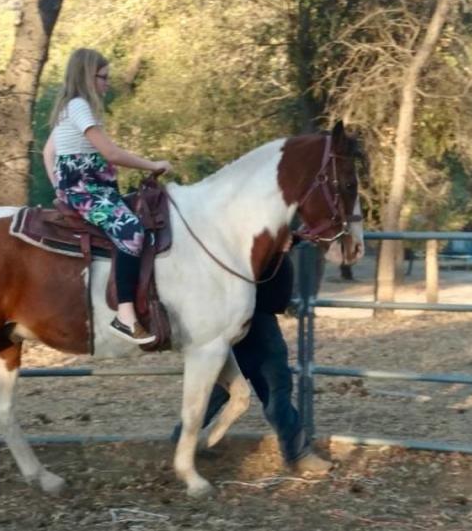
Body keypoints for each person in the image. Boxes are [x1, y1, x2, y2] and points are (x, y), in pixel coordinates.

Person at [43, 48, 172, 345]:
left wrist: (60, 188)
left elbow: (48, 152)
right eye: (103, 77)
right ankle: (125, 315)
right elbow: (110, 153)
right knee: (131, 231)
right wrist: (154, 165)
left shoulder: (69, 108)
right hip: (88, 191)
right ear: (88, 76)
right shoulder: (79, 107)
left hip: (84, 189)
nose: (107, 83)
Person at [172, 249, 333, 475]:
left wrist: (291, 238)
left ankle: (180, 442)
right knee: (263, 389)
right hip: (251, 318)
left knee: (242, 388)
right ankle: (299, 454)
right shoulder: (250, 233)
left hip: (256, 316)